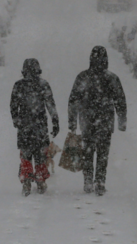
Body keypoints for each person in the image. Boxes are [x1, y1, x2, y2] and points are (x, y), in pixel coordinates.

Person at [68, 46, 127, 196]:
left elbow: (73, 100)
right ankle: (100, 181)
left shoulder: (82, 77)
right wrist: (122, 120)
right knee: (103, 152)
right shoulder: (111, 78)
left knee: (87, 151)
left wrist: (72, 122)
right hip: (105, 120)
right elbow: (120, 100)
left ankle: (88, 180)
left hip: (86, 120)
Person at [10, 58, 59, 196]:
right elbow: (51, 105)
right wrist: (55, 122)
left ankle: (26, 179)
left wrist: (16, 120)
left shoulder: (18, 86)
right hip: (40, 126)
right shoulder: (43, 85)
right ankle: (40, 179)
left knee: (25, 154)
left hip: (24, 126)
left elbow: (13, 105)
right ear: (38, 71)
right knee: (40, 154)